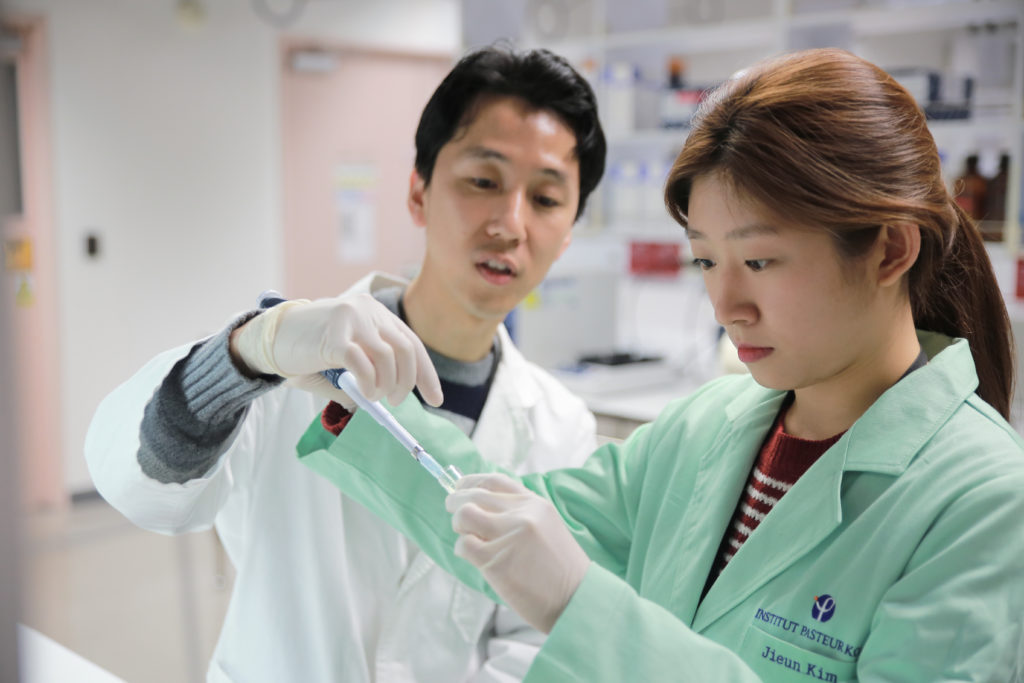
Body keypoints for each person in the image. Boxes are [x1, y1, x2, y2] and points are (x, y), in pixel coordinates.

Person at [297, 48, 1024, 682]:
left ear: (891, 250)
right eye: (706, 260)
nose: (725, 304)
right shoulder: (710, 427)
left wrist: (581, 607)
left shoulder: (984, 500)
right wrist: (352, 396)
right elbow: (498, 515)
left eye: (760, 260)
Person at [85, 45, 606, 683]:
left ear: (570, 231)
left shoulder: (562, 428)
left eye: (547, 199)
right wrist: (248, 355)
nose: (510, 222)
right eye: (483, 180)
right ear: (418, 192)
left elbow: (533, 641)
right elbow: (142, 487)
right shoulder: (290, 365)